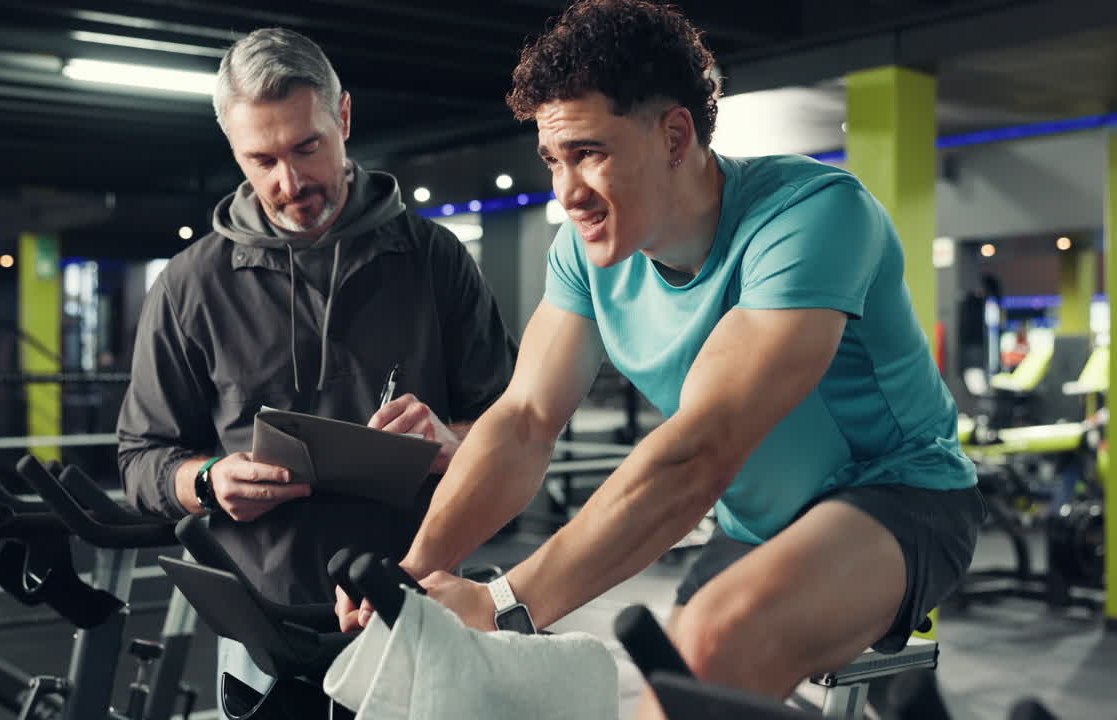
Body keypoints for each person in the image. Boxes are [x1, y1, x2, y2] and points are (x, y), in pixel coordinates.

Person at [336, 0, 985, 716]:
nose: (566, 191)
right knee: (673, 680)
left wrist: (502, 604)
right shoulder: (585, 257)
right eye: (554, 159)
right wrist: (414, 574)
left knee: (711, 642)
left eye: (590, 153)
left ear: (675, 135)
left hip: (903, 495)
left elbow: (699, 454)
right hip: (754, 525)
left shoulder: (812, 216)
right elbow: (523, 421)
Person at [117, 27, 516, 696]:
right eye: (262, 160)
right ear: (234, 152)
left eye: (308, 148)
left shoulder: (433, 259)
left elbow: (514, 427)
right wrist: (210, 481)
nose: (291, 181)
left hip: (417, 603)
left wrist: (455, 443)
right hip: (262, 628)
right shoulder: (190, 285)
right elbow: (139, 459)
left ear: (345, 118)